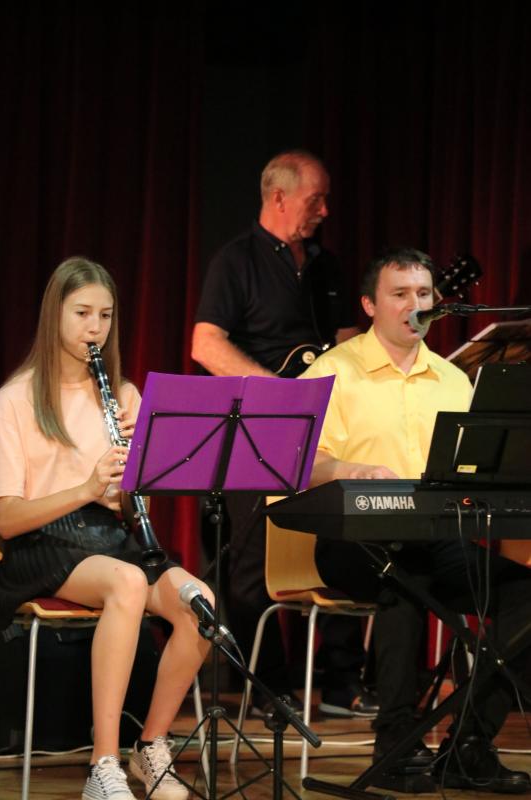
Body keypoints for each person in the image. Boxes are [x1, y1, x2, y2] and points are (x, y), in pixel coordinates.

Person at [299, 246, 531, 792]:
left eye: (424, 294)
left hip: (433, 537)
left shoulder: (453, 380)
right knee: (403, 578)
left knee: (524, 594)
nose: (415, 304)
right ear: (369, 305)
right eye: (400, 294)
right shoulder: (333, 370)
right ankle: (396, 745)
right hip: (351, 539)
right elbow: (300, 462)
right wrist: (350, 469)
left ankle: (468, 745)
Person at [0, 257, 212, 800]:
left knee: (199, 603)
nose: (95, 328)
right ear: (54, 314)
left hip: (108, 539)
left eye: (106, 315)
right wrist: (87, 488)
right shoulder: (15, 399)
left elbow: (134, 507)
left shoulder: (125, 395)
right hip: (40, 541)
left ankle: (151, 744)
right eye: (82, 313)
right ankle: (103, 764)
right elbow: (5, 518)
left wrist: (144, 468)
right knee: (127, 582)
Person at [191, 150, 377, 718]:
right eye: (315, 199)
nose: (325, 210)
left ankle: (342, 683)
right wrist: (278, 391)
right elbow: (206, 345)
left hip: (326, 427)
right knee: (252, 564)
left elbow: (347, 342)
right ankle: (267, 688)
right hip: (257, 427)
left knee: (346, 539)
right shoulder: (235, 261)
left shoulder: (326, 266)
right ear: (278, 197)